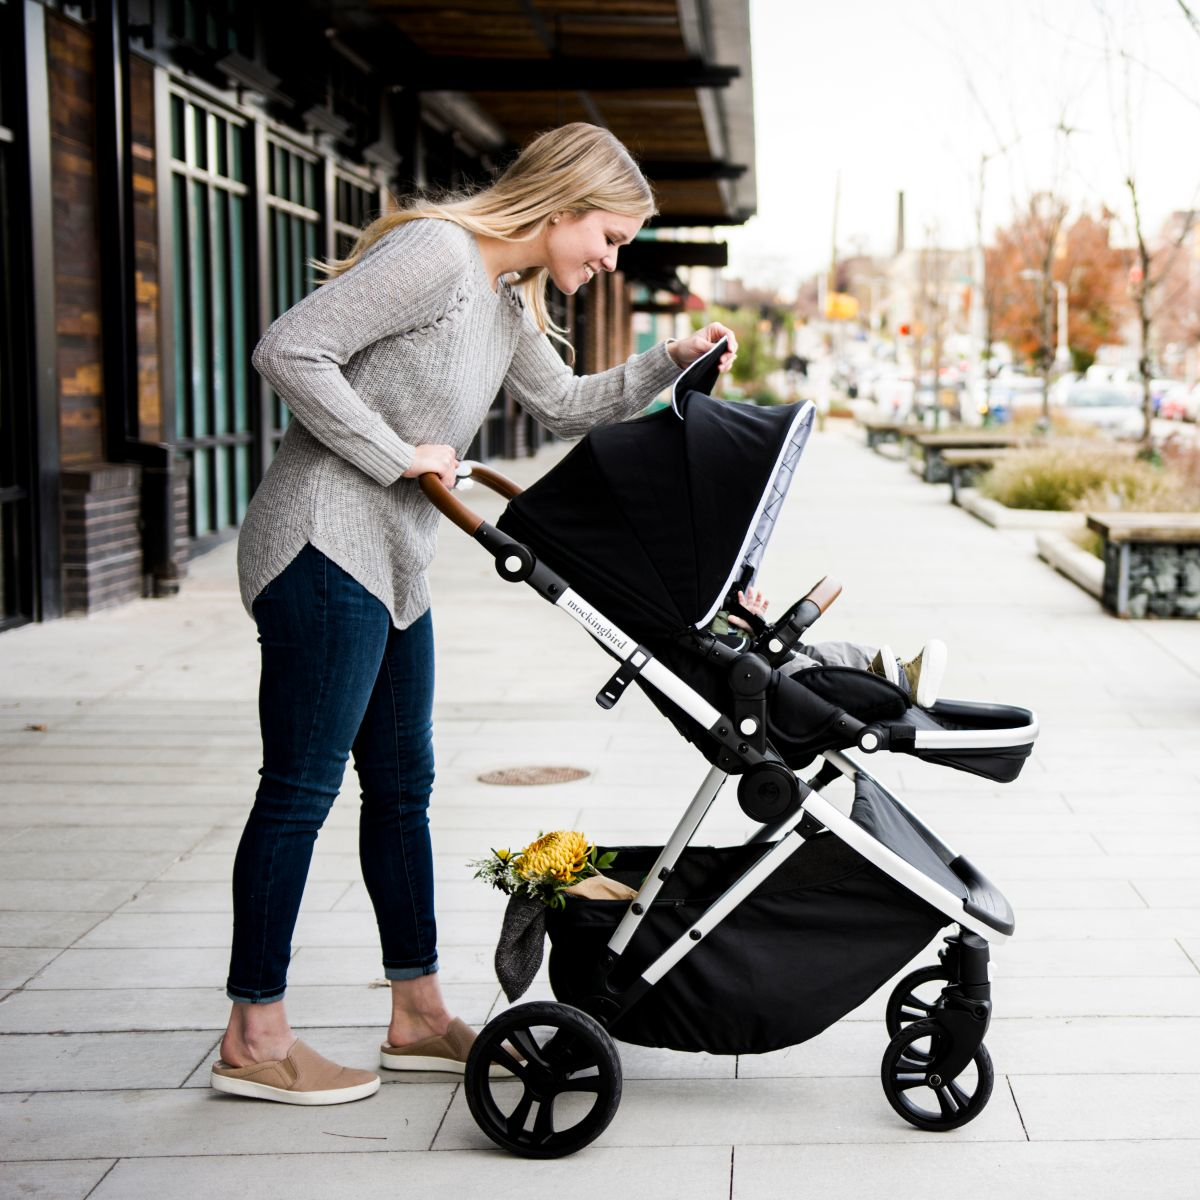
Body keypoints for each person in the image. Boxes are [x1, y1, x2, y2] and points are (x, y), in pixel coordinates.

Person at [210, 122, 738, 1106]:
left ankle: (416, 1015)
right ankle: (254, 1038)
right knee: (300, 789)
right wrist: (393, 451)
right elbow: (290, 348)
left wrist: (673, 358)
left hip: (395, 561)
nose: (610, 258)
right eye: (610, 238)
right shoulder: (440, 255)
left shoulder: (503, 299)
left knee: (402, 787)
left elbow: (570, 405)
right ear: (562, 207)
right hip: (323, 541)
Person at [712, 588, 947, 708]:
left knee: (828, 652)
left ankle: (899, 675)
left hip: (746, 654)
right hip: (758, 685)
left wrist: (755, 626)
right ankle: (873, 688)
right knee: (803, 668)